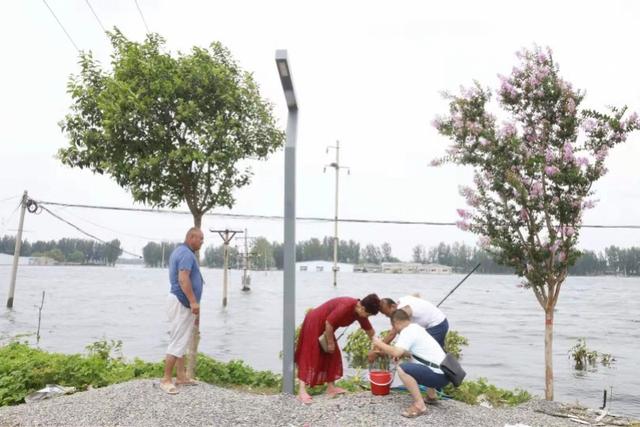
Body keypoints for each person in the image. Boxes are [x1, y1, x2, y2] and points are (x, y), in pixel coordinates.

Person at [295, 294, 381, 404]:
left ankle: (331, 387)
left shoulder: (360, 312)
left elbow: (370, 331)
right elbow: (329, 323)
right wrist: (330, 343)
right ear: (363, 308)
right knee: (309, 355)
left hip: (326, 328)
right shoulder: (346, 306)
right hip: (315, 322)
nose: (367, 317)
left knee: (333, 354)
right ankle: (301, 391)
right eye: (368, 315)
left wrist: (377, 346)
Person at [373, 309, 450, 418]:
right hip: (445, 373)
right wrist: (402, 354)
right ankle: (431, 397)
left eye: (393, 326)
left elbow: (396, 351)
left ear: (396, 323)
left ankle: (420, 405)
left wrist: (379, 343)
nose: (395, 330)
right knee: (421, 364)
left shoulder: (407, 332)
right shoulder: (416, 328)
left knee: (402, 369)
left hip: (438, 376)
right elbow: (415, 354)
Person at [160, 227, 204, 394]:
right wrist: (193, 302)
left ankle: (181, 376)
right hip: (181, 302)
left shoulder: (179, 251)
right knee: (178, 339)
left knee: (181, 339)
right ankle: (166, 379)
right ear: (191, 237)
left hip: (177, 301)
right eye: (200, 238)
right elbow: (183, 278)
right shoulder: (186, 254)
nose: (202, 242)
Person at [379, 295, 449, 349]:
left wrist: (379, 348)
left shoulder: (402, 310)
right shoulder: (402, 300)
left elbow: (393, 333)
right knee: (437, 350)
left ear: (393, 306)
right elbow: (416, 296)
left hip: (437, 325)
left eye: (388, 313)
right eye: (385, 314)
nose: (387, 316)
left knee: (420, 348)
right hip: (440, 322)